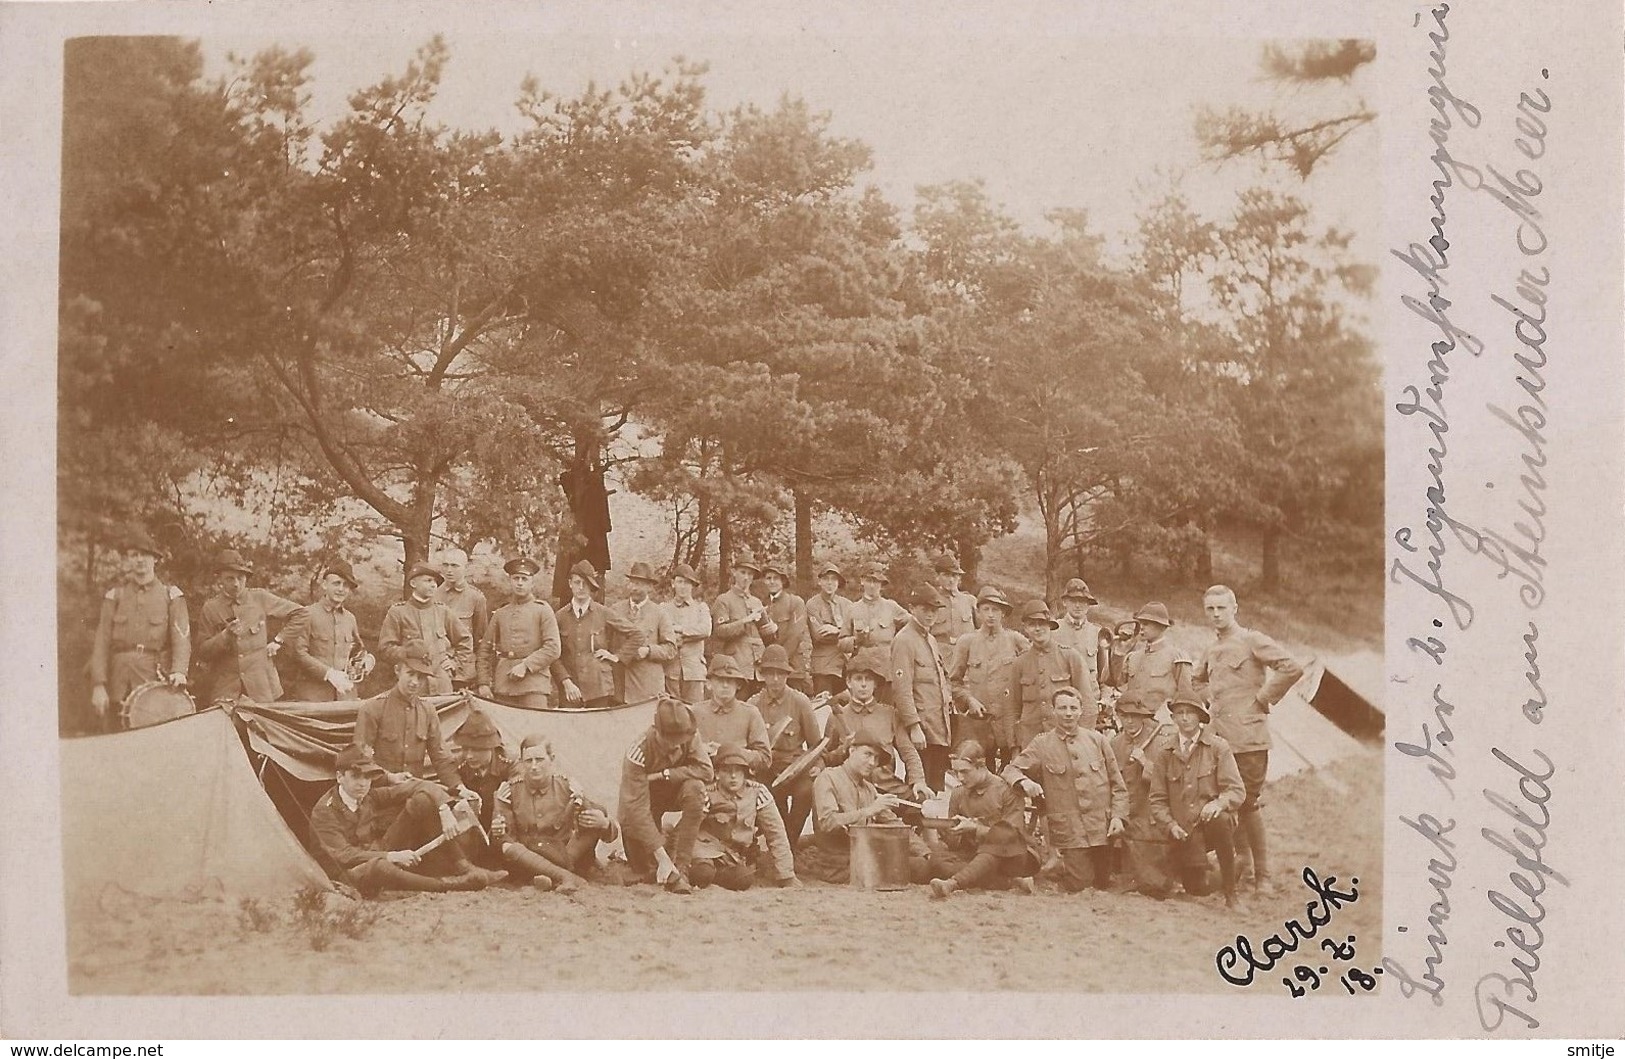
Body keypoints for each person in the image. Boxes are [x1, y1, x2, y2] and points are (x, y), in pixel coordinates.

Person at [1192, 584, 1304, 891]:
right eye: (1210, 609)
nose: (1215, 614)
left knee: (1249, 804)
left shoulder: (1252, 640)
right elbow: (1196, 680)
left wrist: (1262, 698)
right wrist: (1210, 703)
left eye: (1221, 608)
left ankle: (1263, 876)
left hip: (1250, 740)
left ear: (1234, 608)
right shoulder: (1211, 649)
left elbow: (1291, 667)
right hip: (1220, 741)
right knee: (1229, 803)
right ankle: (1242, 864)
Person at [310, 746, 506, 895]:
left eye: (368, 777)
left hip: (377, 851)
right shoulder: (324, 810)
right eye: (355, 776)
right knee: (379, 866)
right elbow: (345, 855)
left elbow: (419, 785)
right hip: (348, 874)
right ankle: (448, 885)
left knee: (422, 801)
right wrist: (391, 856)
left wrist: (444, 808)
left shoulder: (368, 795)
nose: (363, 783)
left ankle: (463, 866)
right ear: (339, 777)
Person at [1003, 687, 1127, 892]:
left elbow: (1118, 785)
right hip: (1070, 831)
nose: (1068, 713)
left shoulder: (1098, 740)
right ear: (1053, 711)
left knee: (1104, 882)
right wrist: (1025, 782)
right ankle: (1058, 869)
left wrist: (1118, 817)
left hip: (1101, 829)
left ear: (1081, 711)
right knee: (1081, 883)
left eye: (1073, 708)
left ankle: (1060, 869)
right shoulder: (1042, 744)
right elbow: (1010, 770)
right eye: (1062, 708)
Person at [1146, 693, 1244, 906]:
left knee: (1221, 821)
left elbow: (1236, 790)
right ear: (1173, 718)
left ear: (1200, 717)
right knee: (1197, 889)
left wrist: (1218, 803)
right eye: (1179, 713)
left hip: (1211, 824)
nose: (1185, 718)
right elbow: (1157, 800)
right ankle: (1233, 868)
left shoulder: (1218, 747)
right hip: (1183, 832)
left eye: (1190, 713)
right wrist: (1170, 825)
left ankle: (1231, 893)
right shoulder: (1165, 753)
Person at [89, 527, 191, 731]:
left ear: (155, 559)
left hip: (152, 683)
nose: (139, 560)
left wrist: (179, 671)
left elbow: (182, 638)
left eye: (145, 555)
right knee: (114, 742)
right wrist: (98, 684)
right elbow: (101, 642)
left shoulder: (170, 595)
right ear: (127, 561)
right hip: (116, 683)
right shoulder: (115, 596)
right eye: (133, 555)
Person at [796, 731, 930, 885]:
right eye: (868, 754)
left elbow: (894, 824)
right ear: (852, 750)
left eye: (876, 758)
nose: (872, 762)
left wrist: (925, 851)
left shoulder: (869, 788)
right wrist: (870, 810)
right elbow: (828, 822)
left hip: (864, 856)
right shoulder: (828, 778)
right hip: (837, 865)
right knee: (919, 868)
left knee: (926, 863)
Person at [494, 734, 618, 892]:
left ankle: (548, 879)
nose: (533, 766)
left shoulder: (567, 787)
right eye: (528, 761)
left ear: (551, 759)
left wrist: (605, 824)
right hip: (527, 860)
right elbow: (501, 836)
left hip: (563, 855)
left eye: (539, 760)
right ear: (521, 762)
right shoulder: (510, 791)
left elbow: (605, 828)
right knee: (509, 846)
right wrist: (498, 828)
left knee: (594, 815)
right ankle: (566, 878)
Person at [618, 697, 715, 894]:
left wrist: (666, 774)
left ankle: (682, 867)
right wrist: (661, 857)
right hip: (644, 804)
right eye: (669, 741)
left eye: (679, 742)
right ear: (656, 731)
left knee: (696, 789)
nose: (675, 747)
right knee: (644, 868)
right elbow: (637, 811)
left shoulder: (690, 736)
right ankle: (662, 864)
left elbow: (706, 771)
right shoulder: (638, 753)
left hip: (674, 791)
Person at [353, 640, 468, 796]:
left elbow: (441, 758)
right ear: (397, 671)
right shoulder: (373, 709)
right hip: (380, 794)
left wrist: (460, 788)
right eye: (410, 674)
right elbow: (360, 759)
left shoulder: (427, 711)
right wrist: (389, 777)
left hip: (413, 796)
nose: (415, 682)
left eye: (421, 677)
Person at [927, 740, 1039, 898]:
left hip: (1012, 855)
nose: (960, 778)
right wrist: (942, 826)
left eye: (965, 772)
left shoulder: (1007, 790)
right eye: (956, 772)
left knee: (998, 842)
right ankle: (1010, 882)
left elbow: (1013, 837)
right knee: (937, 862)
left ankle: (953, 884)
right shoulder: (958, 794)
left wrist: (975, 828)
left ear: (981, 766)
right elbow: (954, 844)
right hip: (977, 856)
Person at [195, 549, 306, 704]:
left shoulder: (259, 598)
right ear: (219, 578)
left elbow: (301, 613)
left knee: (263, 726)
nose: (236, 584)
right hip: (226, 689)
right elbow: (202, 651)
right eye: (229, 578)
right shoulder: (210, 608)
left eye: (240, 578)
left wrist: (279, 640)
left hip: (262, 687)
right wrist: (224, 636)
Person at [822, 659, 932, 804]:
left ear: (875, 684)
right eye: (858, 679)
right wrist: (844, 750)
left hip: (885, 786)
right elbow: (826, 758)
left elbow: (908, 752)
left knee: (919, 800)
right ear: (849, 682)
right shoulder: (837, 716)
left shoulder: (890, 714)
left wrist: (918, 781)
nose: (863, 684)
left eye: (868, 679)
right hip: (849, 789)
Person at [690, 745, 798, 890]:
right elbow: (688, 828)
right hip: (705, 851)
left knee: (744, 878)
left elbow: (776, 833)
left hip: (734, 857)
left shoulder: (758, 793)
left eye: (738, 771)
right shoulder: (707, 793)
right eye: (727, 771)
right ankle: (704, 874)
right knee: (702, 873)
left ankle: (716, 877)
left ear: (745, 773)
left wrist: (787, 875)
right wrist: (678, 866)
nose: (733, 776)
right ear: (717, 774)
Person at [747, 645, 825, 839]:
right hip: (767, 769)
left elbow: (816, 745)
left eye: (780, 674)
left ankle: (790, 841)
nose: (775, 679)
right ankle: (782, 842)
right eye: (770, 673)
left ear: (787, 675)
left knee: (806, 792)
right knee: (767, 796)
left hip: (795, 768)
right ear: (762, 675)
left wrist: (819, 765)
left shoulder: (800, 702)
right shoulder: (753, 705)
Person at [1109, 690, 1180, 896]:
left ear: (1143, 717)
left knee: (1155, 884)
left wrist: (1145, 763)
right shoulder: (1115, 743)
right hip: (1125, 817)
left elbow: (1168, 783)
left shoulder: (1161, 742)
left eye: (1135, 716)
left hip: (1151, 819)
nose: (1130, 721)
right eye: (1125, 716)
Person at [946, 585, 1026, 766]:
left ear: (1003, 613)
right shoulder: (967, 642)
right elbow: (952, 682)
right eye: (986, 609)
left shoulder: (1016, 640)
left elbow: (1031, 675)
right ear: (979, 612)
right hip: (979, 723)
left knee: (1010, 772)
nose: (990, 615)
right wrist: (969, 700)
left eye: (995, 610)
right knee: (978, 773)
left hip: (1008, 722)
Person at [552, 559, 644, 708]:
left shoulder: (604, 613)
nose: (581, 587)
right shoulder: (560, 616)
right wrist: (565, 681)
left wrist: (617, 657)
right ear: (570, 584)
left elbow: (637, 634)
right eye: (577, 582)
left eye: (586, 583)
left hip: (599, 687)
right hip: (571, 689)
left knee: (598, 729)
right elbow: (553, 653)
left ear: (591, 586)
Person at [1008, 599, 1095, 752]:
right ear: (1025, 628)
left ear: (1050, 626)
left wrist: (1082, 741)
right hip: (1031, 742)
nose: (1037, 629)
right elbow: (1013, 710)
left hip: (1065, 740)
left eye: (1041, 624)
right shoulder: (1019, 663)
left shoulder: (1070, 657)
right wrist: (1015, 746)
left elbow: (1087, 703)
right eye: (1031, 624)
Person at [476, 556, 562, 709]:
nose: (520, 583)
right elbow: (484, 650)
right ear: (510, 581)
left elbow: (553, 648)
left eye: (524, 579)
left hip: (534, 684)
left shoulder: (543, 610)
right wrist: (483, 682)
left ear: (532, 582)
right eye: (516, 578)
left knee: (536, 730)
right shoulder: (501, 613)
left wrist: (526, 666)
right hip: (504, 684)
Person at [890, 582, 953, 790]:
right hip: (922, 730)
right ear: (911, 608)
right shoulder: (904, 641)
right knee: (920, 789)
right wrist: (914, 727)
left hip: (939, 728)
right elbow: (902, 689)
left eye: (934, 611)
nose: (930, 615)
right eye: (925, 610)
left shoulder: (931, 640)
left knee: (936, 790)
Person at [377, 563, 472, 696]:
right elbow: (385, 648)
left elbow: (465, 640)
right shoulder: (398, 612)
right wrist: (406, 653)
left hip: (441, 683)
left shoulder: (442, 611)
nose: (433, 585)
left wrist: (454, 663)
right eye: (428, 580)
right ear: (413, 583)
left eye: (435, 582)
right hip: (411, 682)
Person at [288, 560, 373, 702]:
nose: (341, 589)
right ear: (325, 585)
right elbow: (298, 653)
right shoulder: (307, 614)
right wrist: (328, 673)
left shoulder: (350, 619)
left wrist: (366, 660)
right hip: (313, 697)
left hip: (345, 696)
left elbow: (357, 651)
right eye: (336, 583)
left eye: (346, 585)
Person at [612, 560, 677, 706]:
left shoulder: (660, 613)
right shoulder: (615, 610)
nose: (634, 588)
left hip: (647, 688)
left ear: (649, 587)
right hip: (620, 686)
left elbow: (671, 649)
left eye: (639, 584)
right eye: (632, 583)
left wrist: (648, 651)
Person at [693, 655, 772, 773]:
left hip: (738, 780)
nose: (725, 685)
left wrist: (734, 752)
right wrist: (700, 749)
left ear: (738, 685)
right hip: (702, 779)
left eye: (730, 681)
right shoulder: (695, 712)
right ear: (708, 684)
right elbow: (679, 751)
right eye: (720, 680)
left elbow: (765, 758)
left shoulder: (750, 713)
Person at [709, 553, 773, 693]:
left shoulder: (756, 602)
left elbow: (766, 637)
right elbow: (719, 631)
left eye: (750, 574)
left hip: (759, 669)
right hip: (736, 666)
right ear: (734, 572)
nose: (746, 577)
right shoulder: (724, 600)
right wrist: (745, 621)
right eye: (743, 572)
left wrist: (772, 629)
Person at [1119, 602, 1193, 723]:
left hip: (1162, 724)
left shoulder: (1176, 657)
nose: (1141, 627)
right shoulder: (1133, 657)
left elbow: (1186, 697)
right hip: (1132, 722)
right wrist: (1119, 652)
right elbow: (1113, 682)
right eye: (1140, 623)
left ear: (1162, 626)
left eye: (1146, 623)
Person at [450, 709, 512, 850]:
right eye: (465, 749)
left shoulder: (508, 764)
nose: (469, 756)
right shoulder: (459, 765)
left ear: (490, 747)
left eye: (476, 749)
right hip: (471, 837)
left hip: (502, 835)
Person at [846, 565, 906, 698]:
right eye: (869, 581)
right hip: (862, 671)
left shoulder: (891, 607)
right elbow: (841, 643)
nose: (872, 586)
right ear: (862, 581)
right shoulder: (852, 609)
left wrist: (899, 645)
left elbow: (912, 625)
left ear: (881, 584)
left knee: (886, 711)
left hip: (885, 670)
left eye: (876, 582)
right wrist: (856, 640)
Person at [433, 549, 488, 691]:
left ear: (466, 568)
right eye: (445, 565)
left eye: (455, 566)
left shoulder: (476, 598)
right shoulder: (433, 595)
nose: (449, 570)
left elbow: (479, 638)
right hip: (436, 668)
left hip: (463, 673)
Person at [661, 563, 712, 704]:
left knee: (695, 713)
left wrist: (679, 629)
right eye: (680, 582)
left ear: (693, 586)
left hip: (694, 670)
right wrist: (690, 633)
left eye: (687, 583)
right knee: (671, 713)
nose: (683, 587)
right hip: (671, 671)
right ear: (673, 583)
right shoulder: (664, 609)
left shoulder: (701, 608)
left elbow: (705, 630)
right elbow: (664, 633)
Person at [761, 560, 812, 694]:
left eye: (776, 578)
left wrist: (779, 664)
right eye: (768, 578)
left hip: (792, 668)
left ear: (783, 581)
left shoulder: (795, 602)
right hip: (769, 671)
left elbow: (795, 636)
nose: (772, 581)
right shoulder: (761, 604)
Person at [805, 562, 854, 698]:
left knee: (847, 708)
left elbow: (856, 634)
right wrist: (845, 634)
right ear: (819, 581)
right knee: (823, 707)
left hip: (846, 665)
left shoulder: (847, 605)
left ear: (838, 583)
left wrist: (836, 630)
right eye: (826, 579)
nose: (829, 583)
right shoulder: (812, 604)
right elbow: (819, 636)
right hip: (823, 666)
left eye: (833, 579)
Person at [1054, 578, 1109, 694]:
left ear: (1088, 605)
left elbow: (1105, 677)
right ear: (1065, 602)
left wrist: (1104, 698)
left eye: (1083, 601)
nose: (1078, 605)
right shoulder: (1053, 630)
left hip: (1090, 697)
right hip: (1061, 700)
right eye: (1073, 600)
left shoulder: (1097, 632)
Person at [930, 553, 978, 647]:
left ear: (959, 578)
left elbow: (983, 630)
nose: (951, 580)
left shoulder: (970, 601)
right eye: (946, 575)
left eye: (954, 575)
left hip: (966, 655)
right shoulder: (931, 601)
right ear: (937, 576)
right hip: (940, 655)